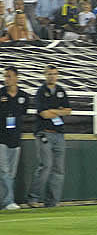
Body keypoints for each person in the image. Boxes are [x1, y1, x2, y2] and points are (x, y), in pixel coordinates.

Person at [27, 65, 72, 208]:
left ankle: (52, 201)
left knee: (59, 169)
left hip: (59, 134)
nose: (52, 76)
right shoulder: (41, 92)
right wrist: (58, 111)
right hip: (44, 133)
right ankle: (33, 198)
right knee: (45, 166)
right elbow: (44, 114)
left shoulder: (60, 91)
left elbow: (69, 111)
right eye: (49, 74)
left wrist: (54, 111)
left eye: (55, 74)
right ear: (45, 75)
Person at [0, 67, 29, 210]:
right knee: (4, 171)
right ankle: (8, 201)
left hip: (15, 138)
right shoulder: (0, 94)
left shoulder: (23, 96)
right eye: (5, 76)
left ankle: (5, 201)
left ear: (16, 77)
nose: (7, 79)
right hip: (1, 138)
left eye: (9, 76)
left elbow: (23, 113)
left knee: (11, 173)